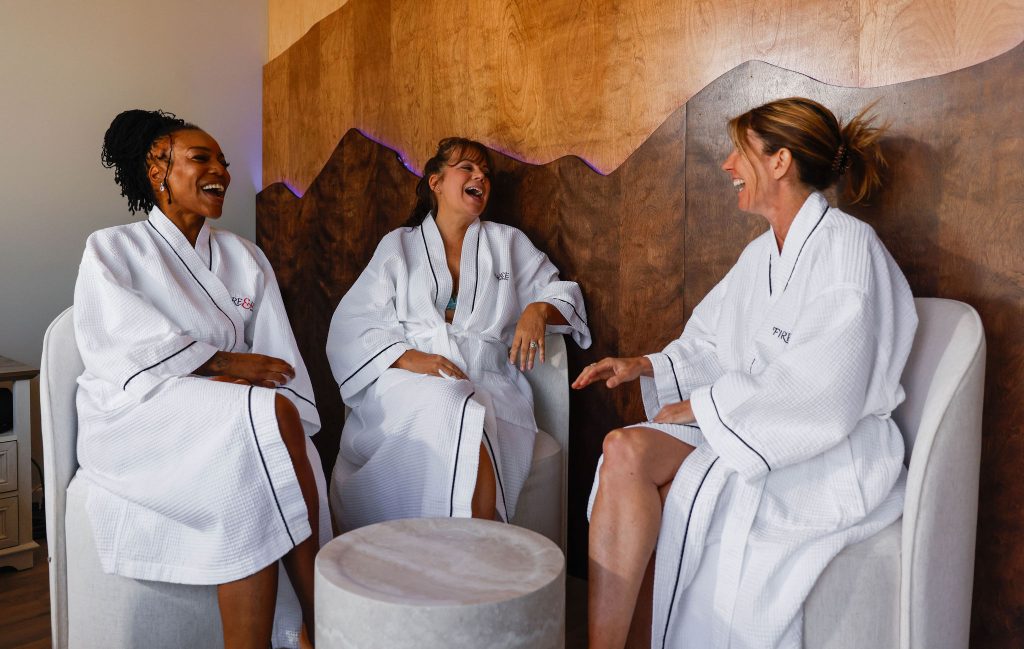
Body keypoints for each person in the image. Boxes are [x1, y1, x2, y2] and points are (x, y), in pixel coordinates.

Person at [574, 97, 917, 649]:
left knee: (664, 489)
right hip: (752, 427)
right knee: (623, 449)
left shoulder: (849, 248)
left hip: (824, 449)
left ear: (780, 161)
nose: (729, 167)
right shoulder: (761, 255)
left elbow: (828, 384)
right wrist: (649, 364)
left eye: (740, 153)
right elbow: (713, 340)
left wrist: (709, 408)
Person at [74, 109, 329, 649]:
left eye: (224, 161)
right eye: (201, 158)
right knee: (268, 415)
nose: (222, 171)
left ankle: (293, 630)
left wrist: (247, 383)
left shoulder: (243, 256)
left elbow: (278, 360)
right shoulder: (113, 249)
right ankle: (320, 617)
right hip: (140, 412)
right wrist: (224, 364)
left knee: (263, 436)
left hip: (233, 411)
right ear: (155, 168)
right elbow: (123, 348)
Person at [326, 137, 591, 529]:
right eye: (467, 167)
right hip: (409, 382)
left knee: (463, 404)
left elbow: (561, 291)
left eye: (485, 173)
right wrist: (412, 359)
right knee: (451, 400)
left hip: (489, 382)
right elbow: (352, 322)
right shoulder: (399, 245)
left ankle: (460, 558)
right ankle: (467, 552)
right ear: (435, 181)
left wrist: (538, 308)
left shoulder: (507, 243)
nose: (480, 176)